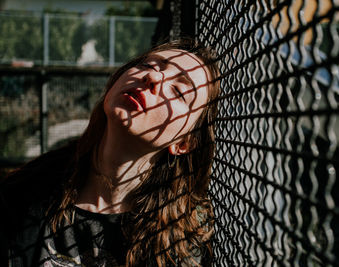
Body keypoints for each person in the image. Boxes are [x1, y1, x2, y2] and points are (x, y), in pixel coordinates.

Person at [0, 38, 220, 267]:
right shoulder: (22, 194)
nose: (153, 77)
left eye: (178, 91)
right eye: (149, 65)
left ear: (184, 143)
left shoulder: (183, 239)